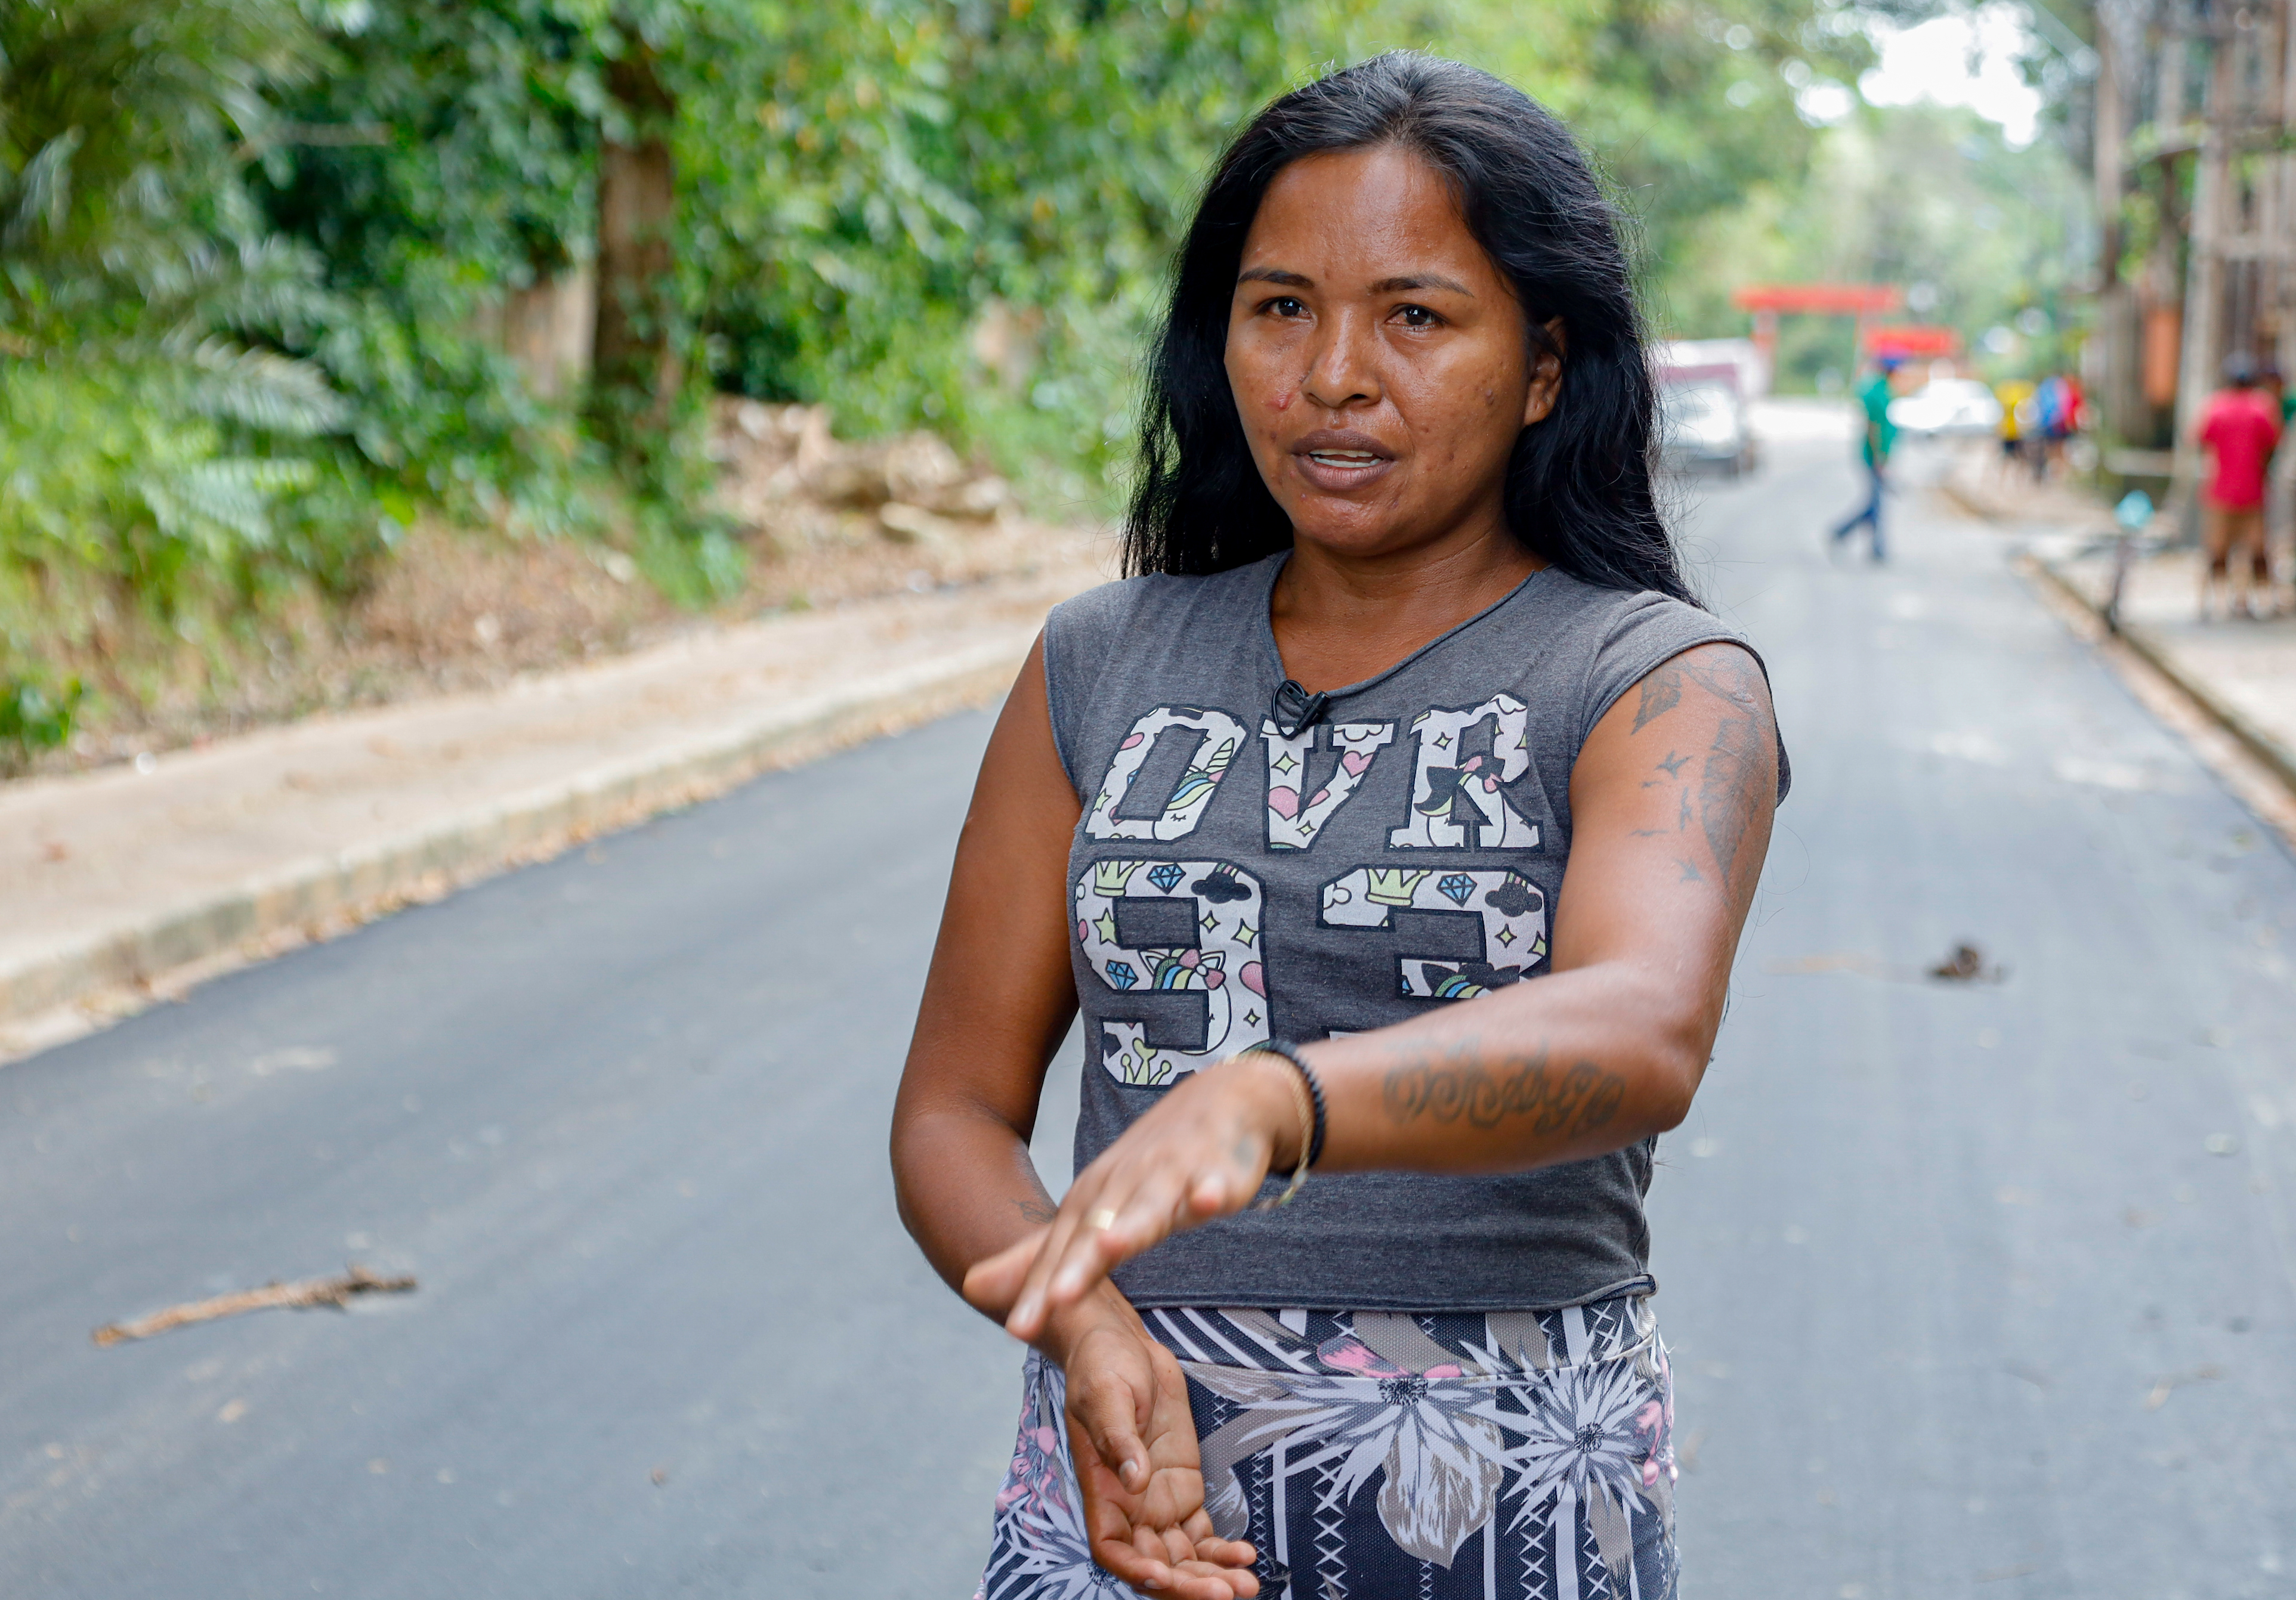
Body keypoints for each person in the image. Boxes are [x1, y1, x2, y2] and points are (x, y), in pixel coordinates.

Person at [891, 54, 1787, 1600]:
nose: (1333, 374)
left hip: (1501, 1504)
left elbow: (1646, 1029)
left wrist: (1270, 1103)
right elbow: (953, 1112)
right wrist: (1078, 1314)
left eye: (1416, 315)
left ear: (1543, 365)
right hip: (1129, 1487)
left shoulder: (1654, 681)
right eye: (1281, 306)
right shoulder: (1100, 661)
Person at [2196, 352, 2282, 620]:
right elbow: (2273, 442)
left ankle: (2214, 602)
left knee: (2217, 549)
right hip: (2253, 491)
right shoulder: (2262, 407)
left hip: (2221, 491)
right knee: (2257, 550)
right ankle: (2257, 601)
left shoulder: (2216, 407)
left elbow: (2202, 439)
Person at [1828, 354, 1901, 560]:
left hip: (1877, 455)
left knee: (1875, 503)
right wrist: (1879, 457)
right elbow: (1874, 427)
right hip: (1872, 456)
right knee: (1876, 504)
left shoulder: (1882, 388)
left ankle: (1845, 534)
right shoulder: (1877, 391)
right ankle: (1874, 547)